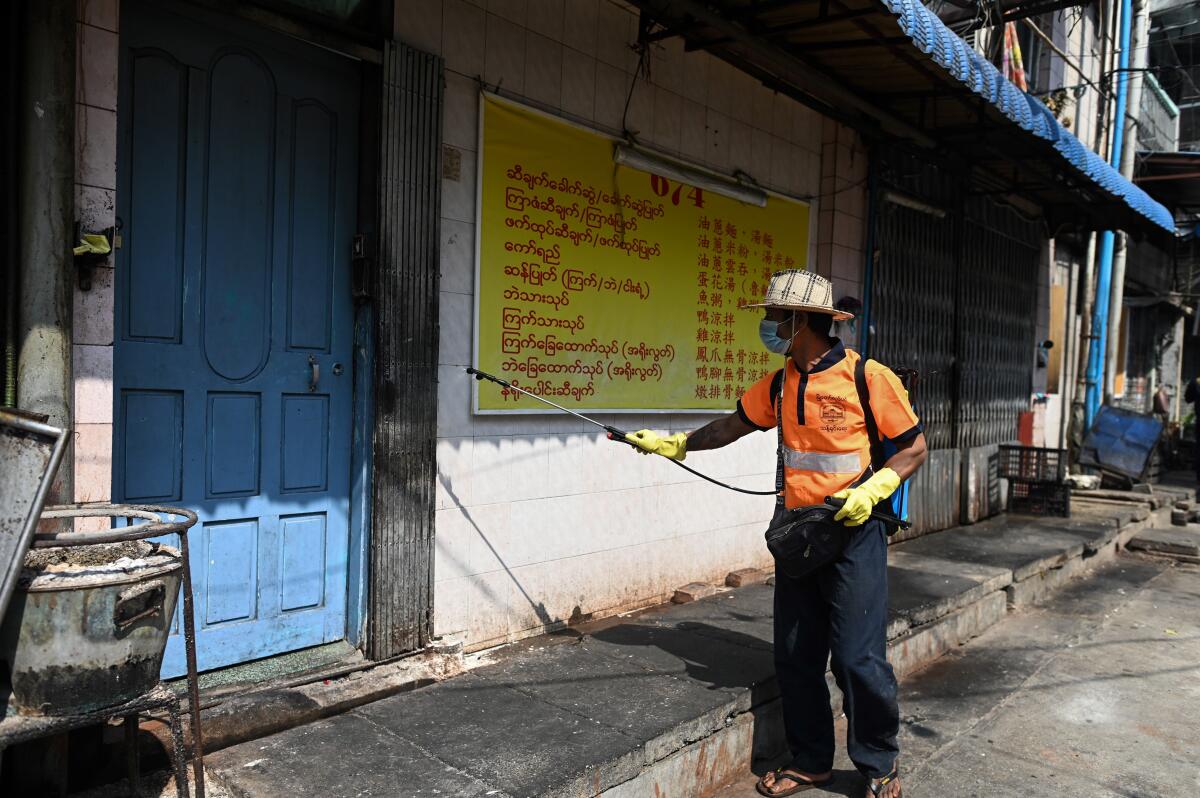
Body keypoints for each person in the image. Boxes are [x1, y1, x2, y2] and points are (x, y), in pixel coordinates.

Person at [626, 270, 927, 798]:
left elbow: (913, 448)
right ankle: (812, 760)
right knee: (795, 656)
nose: (767, 324)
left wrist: (874, 489)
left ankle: (879, 762)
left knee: (857, 657)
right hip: (798, 535)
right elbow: (731, 426)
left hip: (854, 532)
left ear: (801, 321)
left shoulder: (868, 378)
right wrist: (678, 443)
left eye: (774, 316)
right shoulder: (781, 382)